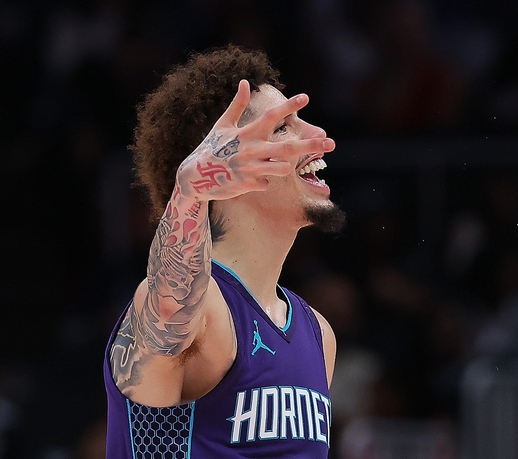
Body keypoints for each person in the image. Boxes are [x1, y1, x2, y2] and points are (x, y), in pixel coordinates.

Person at [103, 45, 346, 458]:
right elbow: (169, 306)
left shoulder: (318, 333)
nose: (317, 136)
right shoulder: (193, 309)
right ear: (228, 169)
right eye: (283, 128)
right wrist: (190, 191)